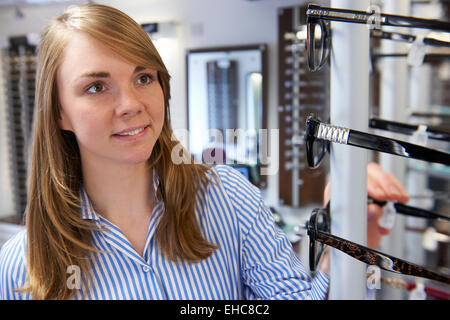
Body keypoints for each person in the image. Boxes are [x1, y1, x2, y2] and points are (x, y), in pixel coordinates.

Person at [0, 4, 409, 300]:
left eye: (144, 77)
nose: (130, 104)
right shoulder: (23, 265)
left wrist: (352, 235)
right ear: (58, 113)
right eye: (96, 86)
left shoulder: (227, 197)